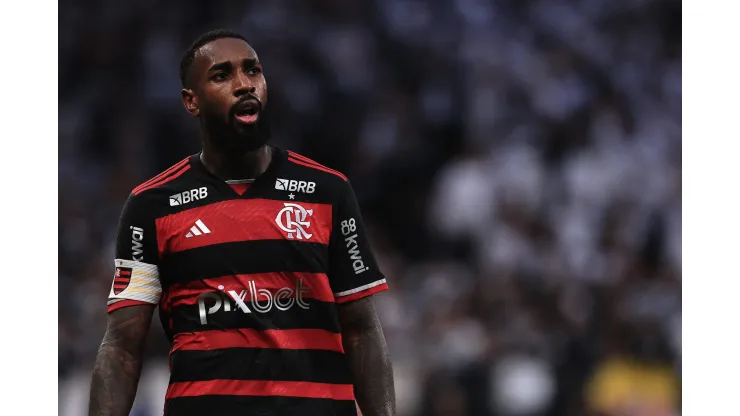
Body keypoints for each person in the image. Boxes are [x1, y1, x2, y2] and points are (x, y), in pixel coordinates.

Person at [88, 29, 396, 416]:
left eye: (253, 71)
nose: (244, 84)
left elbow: (362, 329)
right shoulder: (151, 206)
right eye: (222, 75)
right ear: (191, 101)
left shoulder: (327, 192)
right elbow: (122, 348)